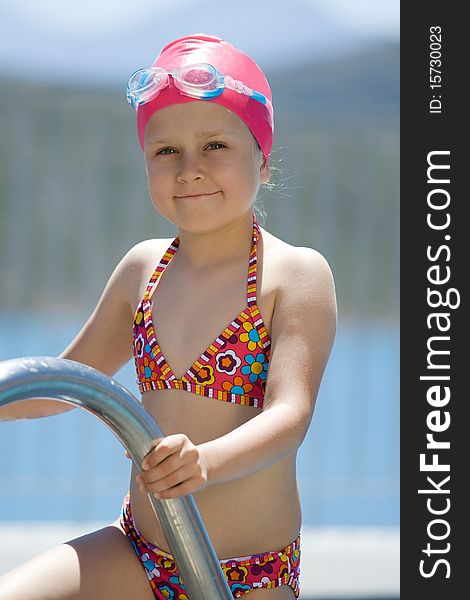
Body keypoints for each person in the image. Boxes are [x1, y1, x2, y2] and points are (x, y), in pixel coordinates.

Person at [0, 33, 337, 599]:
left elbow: (290, 415)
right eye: (165, 151)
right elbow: (60, 384)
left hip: (247, 574)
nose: (189, 170)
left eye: (214, 147)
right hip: (140, 550)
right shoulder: (143, 269)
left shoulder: (293, 274)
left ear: (262, 155)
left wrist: (205, 461)